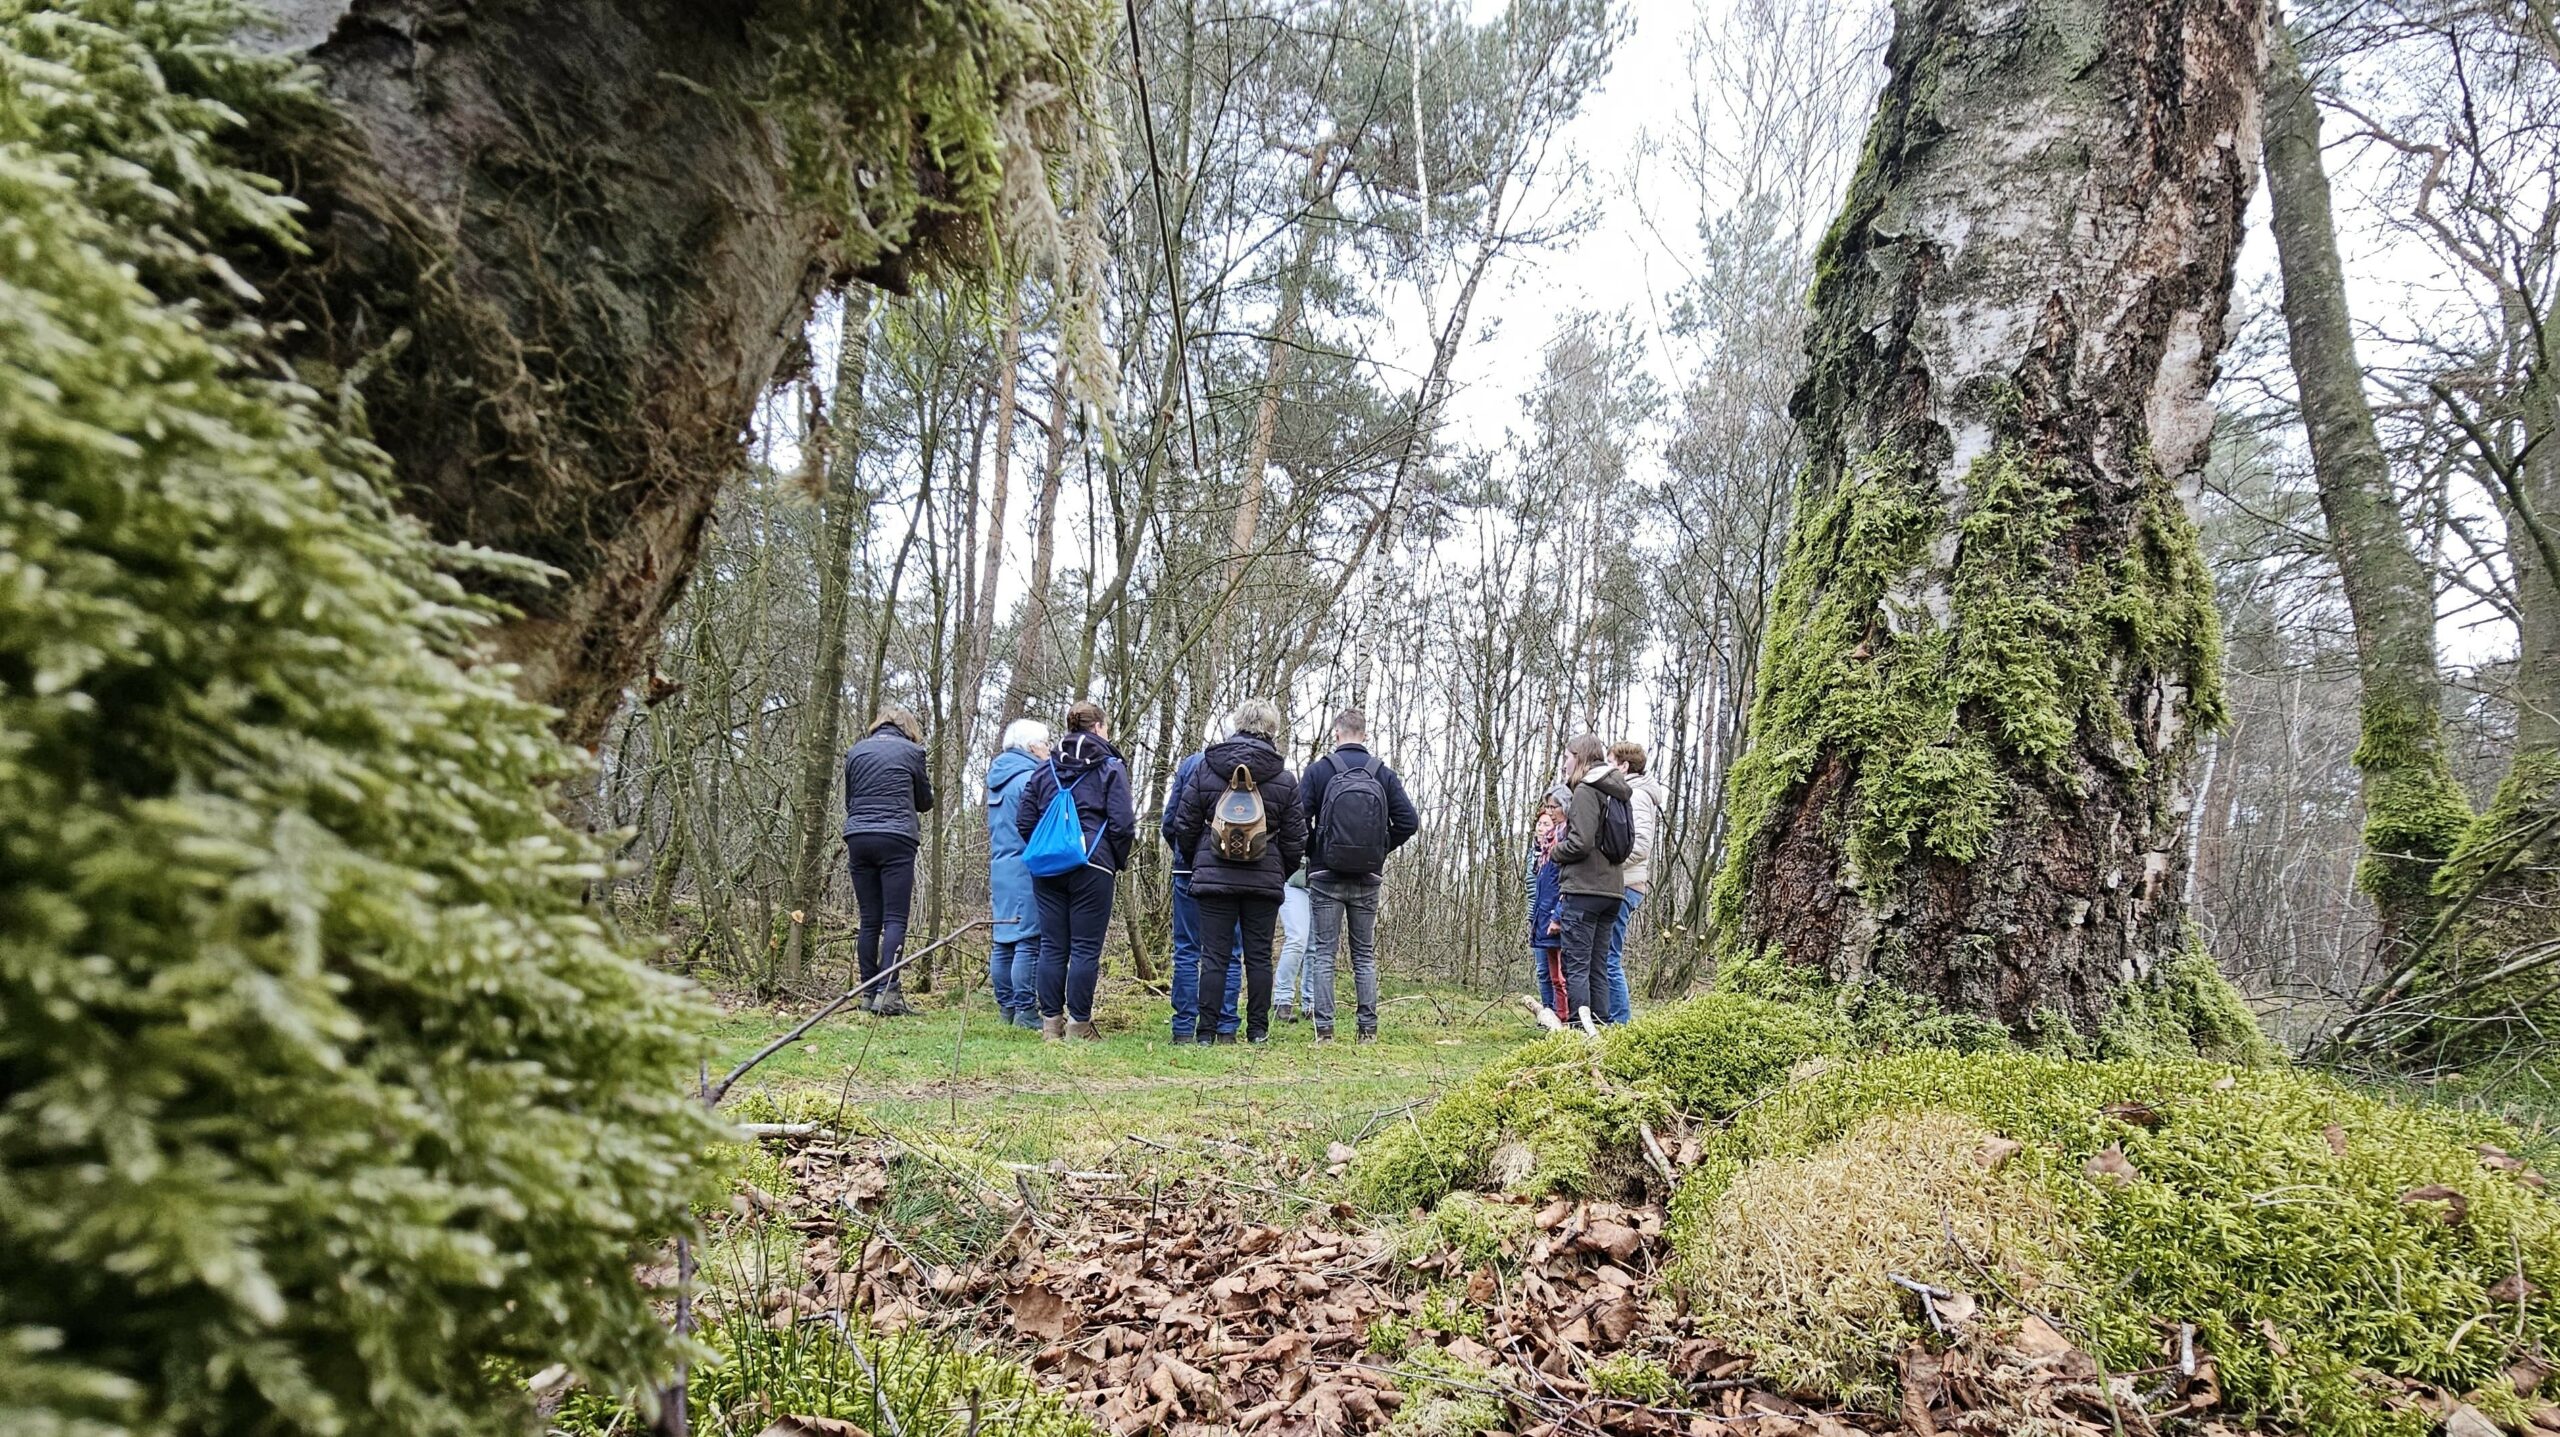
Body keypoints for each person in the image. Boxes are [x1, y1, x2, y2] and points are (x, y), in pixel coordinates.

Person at [1169, 700, 1307, 1044]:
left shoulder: (1206, 767)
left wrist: (1201, 857)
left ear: (1237, 725)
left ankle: (1205, 1032)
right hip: (1263, 881)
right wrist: (1278, 869)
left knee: (1213, 956)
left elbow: (1182, 824)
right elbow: (1296, 838)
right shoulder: (1284, 778)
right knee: (1258, 957)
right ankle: (1257, 1031)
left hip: (1214, 878)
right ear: (1272, 730)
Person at [1014, 701, 1135, 1041]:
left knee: (1052, 945)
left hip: (1047, 867)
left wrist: (1044, 849)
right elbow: (1123, 824)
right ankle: (1079, 1025)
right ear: (1098, 728)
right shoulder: (1110, 767)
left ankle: (1050, 1024)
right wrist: (1114, 858)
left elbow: (1024, 821)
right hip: (1093, 864)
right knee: (1084, 947)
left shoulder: (1043, 768)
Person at [1300, 708, 1420, 1043]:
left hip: (1325, 875)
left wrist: (1314, 848)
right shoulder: (1383, 774)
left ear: (1336, 733)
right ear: (1364, 735)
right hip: (1368, 877)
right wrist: (1380, 849)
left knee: (1324, 953)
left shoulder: (1319, 771)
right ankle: (1367, 1030)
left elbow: (1296, 820)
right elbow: (1409, 822)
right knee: (1363, 954)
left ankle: (1325, 1032)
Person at [842, 706, 935, 1016]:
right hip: (896, 838)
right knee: (895, 919)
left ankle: (868, 993)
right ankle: (888, 992)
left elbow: (850, 800)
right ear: (907, 728)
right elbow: (925, 802)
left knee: (869, 920)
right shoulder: (912, 752)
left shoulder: (855, 752)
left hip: (858, 837)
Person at [1162, 722, 1244, 1043]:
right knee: (1230, 950)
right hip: (1233, 874)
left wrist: (1187, 855)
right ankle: (1225, 1027)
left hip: (1188, 871)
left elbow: (1172, 821)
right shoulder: (1251, 770)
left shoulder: (1193, 764)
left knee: (1187, 950)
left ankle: (1184, 1027)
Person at [1548, 733, 1631, 1027]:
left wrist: (1556, 852)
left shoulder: (1586, 790)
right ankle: (1602, 1029)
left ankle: (1578, 1033)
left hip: (1584, 890)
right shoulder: (1616, 790)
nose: (1565, 764)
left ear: (1580, 757)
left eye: (1567, 757)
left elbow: (1580, 842)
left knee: (1577, 966)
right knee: (1598, 967)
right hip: (1612, 891)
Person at [984, 719, 1051, 1030]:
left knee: (1004, 939)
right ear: (1032, 746)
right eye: (1046, 743)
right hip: (1025, 866)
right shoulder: (1030, 778)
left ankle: (1007, 1009)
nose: (1048, 750)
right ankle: (1025, 1011)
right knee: (1027, 940)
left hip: (1001, 866)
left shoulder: (997, 778)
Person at [1605, 740, 1667, 1026]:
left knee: (1608, 957)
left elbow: (1640, 846)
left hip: (1625, 885)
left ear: (1623, 766)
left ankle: (1620, 1025)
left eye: (1610, 762)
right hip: (1620, 883)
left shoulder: (1637, 796)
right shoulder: (1628, 793)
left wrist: (1606, 862)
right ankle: (1609, 1019)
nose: (1606, 768)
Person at [1528, 788, 1569, 1020]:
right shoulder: (1542, 853)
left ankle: (1566, 1020)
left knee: (1563, 978)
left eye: (1553, 809)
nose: (1549, 817)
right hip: (1542, 918)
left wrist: (1558, 915)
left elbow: (1564, 885)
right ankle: (1554, 1018)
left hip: (1556, 918)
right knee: (1551, 976)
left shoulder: (1562, 845)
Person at [1274, 868, 1313, 1022]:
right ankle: (1282, 1001)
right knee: (1297, 938)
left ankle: (1311, 1003)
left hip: (1324, 880)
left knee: (1316, 946)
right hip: (1292, 880)